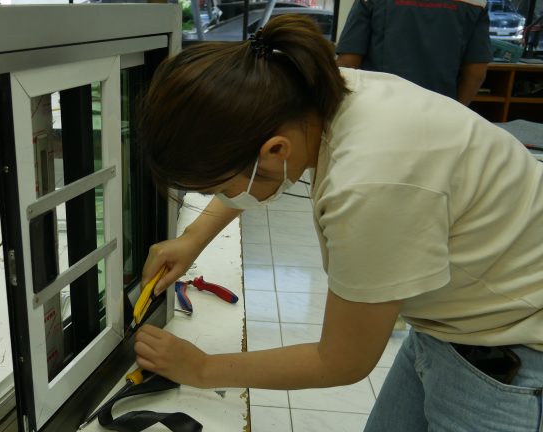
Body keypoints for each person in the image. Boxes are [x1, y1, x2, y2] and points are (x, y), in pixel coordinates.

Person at [134, 14, 543, 431]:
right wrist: (193, 238)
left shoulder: (369, 184)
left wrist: (201, 368)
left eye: (222, 187)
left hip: (511, 354)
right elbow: (249, 170)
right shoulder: (312, 92)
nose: (224, 196)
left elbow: (342, 360)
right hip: (447, 329)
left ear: (275, 150)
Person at [335, 0, 492, 105]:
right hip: (440, 113)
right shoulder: (475, 3)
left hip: (379, 109)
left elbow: (348, 64)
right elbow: (476, 74)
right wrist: (457, 112)